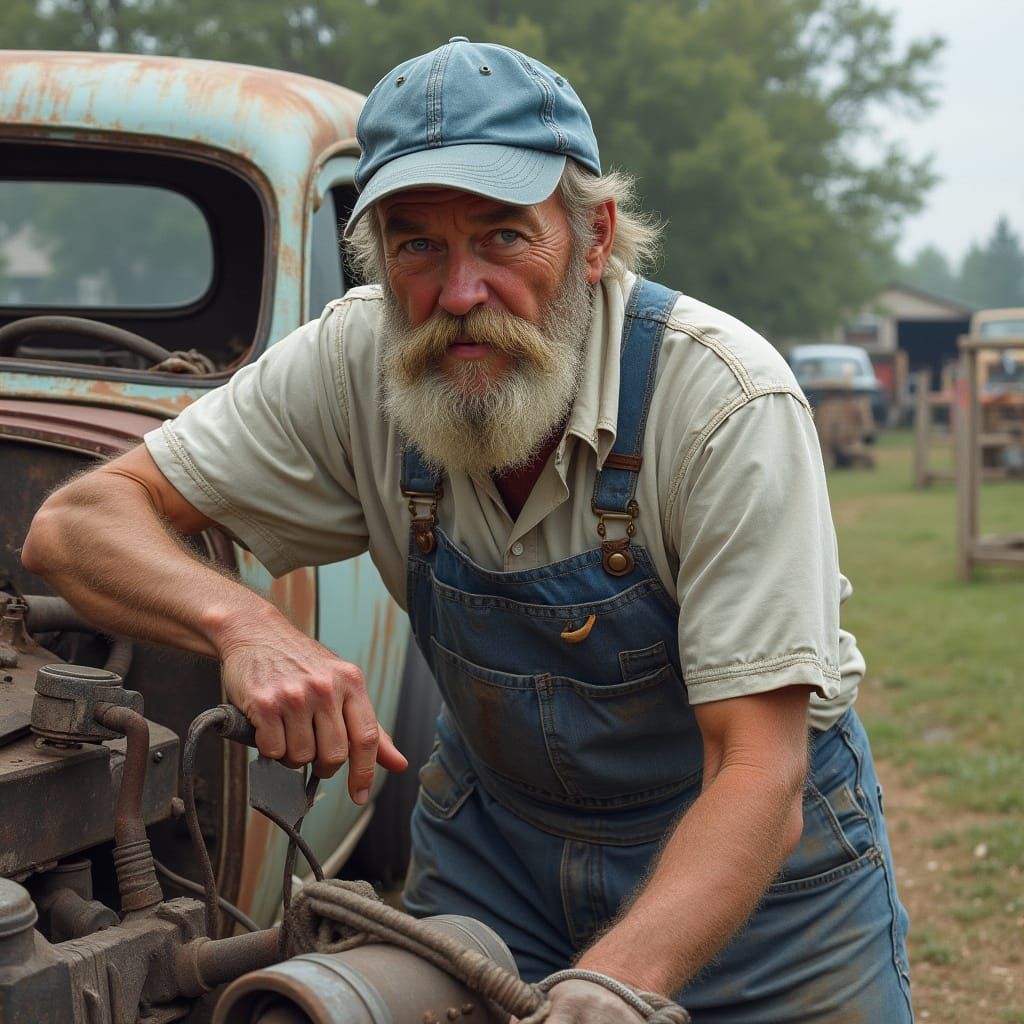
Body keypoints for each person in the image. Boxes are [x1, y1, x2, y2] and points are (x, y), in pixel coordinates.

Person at [23, 37, 913, 1023]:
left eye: (501, 237)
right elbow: (74, 526)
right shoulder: (355, 361)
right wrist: (245, 624)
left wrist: (607, 988)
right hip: (498, 851)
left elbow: (758, 768)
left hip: (763, 885)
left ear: (596, 235)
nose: (457, 295)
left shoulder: (723, 404)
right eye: (417, 245)